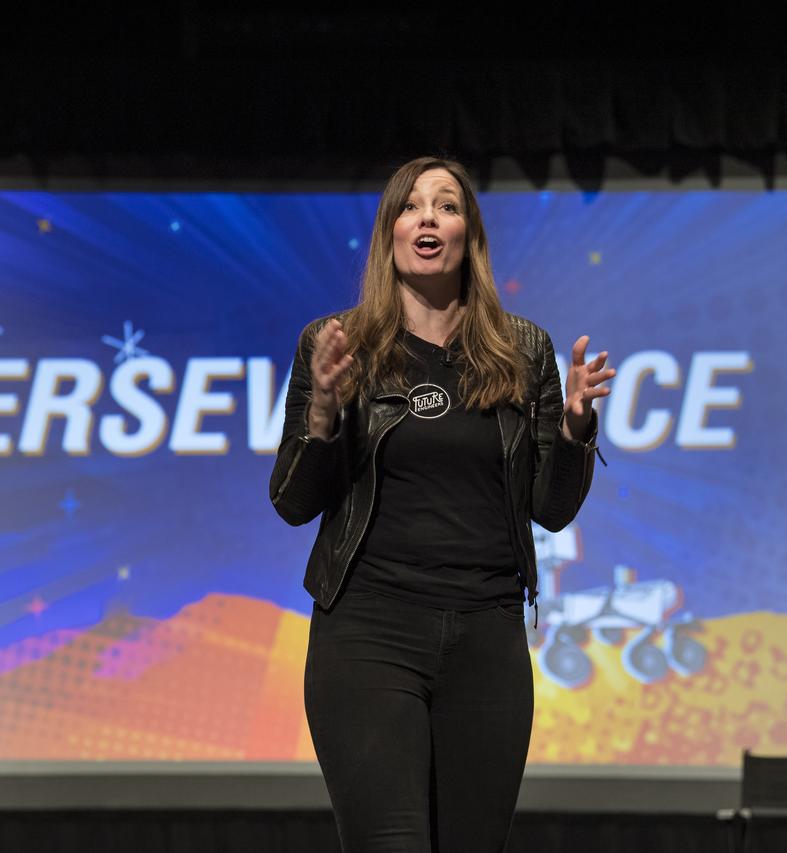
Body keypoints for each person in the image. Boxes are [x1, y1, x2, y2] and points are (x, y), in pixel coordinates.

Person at [268, 156, 614, 853]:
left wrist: (576, 429)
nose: (428, 217)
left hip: (487, 639)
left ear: (468, 235)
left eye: (447, 205)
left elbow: (549, 510)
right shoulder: (338, 345)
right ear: (390, 232)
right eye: (411, 205)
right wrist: (323, 417)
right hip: (369, 635)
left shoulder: (523, 350)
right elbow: (293, 501)